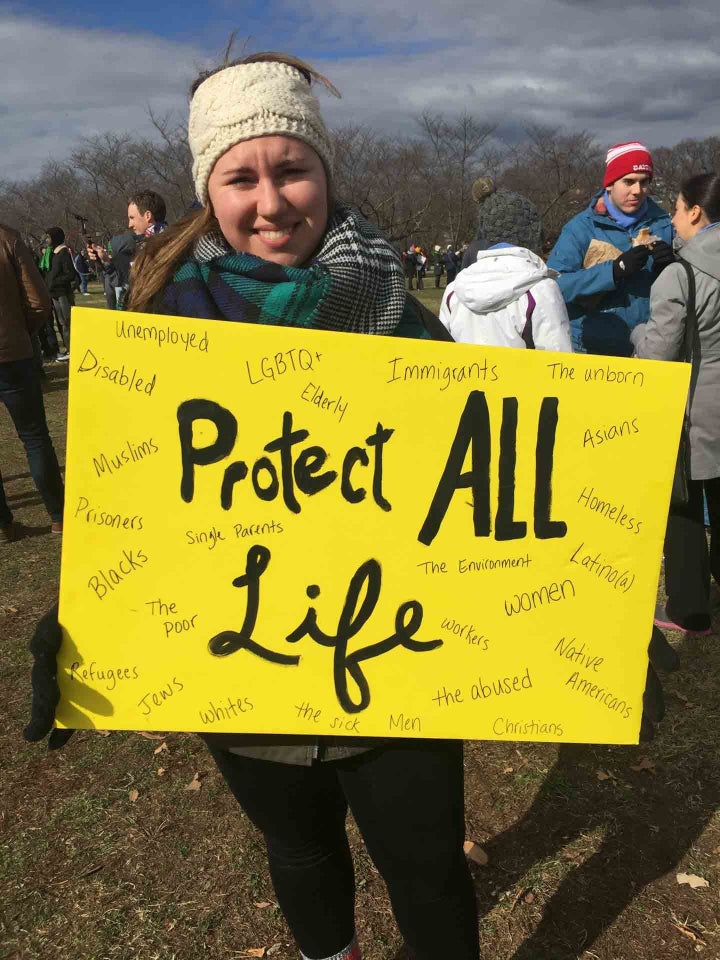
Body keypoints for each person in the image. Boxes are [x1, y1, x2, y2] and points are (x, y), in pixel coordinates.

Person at [26, 53, 479, 960]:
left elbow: (472, 496)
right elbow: (137, 507)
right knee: (301, 851)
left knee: (427, 867)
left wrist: (581, 595)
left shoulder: (406, 317)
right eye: (241, 176)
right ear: (209, 189)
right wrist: (86, 605)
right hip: (245, 670)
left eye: (292, 169)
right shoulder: (161, 329)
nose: (271, 201)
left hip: (398, 675)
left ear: (325, 175)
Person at [632, 172, 720, 637]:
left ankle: (689, 609)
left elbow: (657, 353)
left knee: (684, 508)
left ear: (695, 212)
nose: (672, 219)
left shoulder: (679, 273)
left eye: (677, 209)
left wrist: (634, 334)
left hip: (696, 408)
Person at [547, 141, 674, 356]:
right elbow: (555, 287)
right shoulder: (581, 228)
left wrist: (671, 269)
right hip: (594, 349)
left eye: (644, 182)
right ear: (609, 184)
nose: (637, 191)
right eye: (629, 181)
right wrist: (613, 271)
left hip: (648, 347)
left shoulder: (664, 224)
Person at [0, 222, 65, 542]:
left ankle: (3, 525)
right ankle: (59, 516)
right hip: (13, 354)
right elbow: (39, 300)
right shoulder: (8, 239)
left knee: (34, 437)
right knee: (35, 438)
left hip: (13, 349)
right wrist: (21, 332)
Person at [439, 229, 572, 352]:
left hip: (467, 374)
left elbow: (442, 351)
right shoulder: (542, 289)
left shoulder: (454, 289)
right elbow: (558, 359)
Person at [43, 226, 75, 359]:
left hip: (63, 293)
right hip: (54, 293)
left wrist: (55, 282)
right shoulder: (51, 253)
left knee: (68, 322)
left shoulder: (63, 253)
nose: (46, 239)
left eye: (48, 237)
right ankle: (68, 348)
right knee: (61, 322)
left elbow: (70, 274)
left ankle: (72, 349)